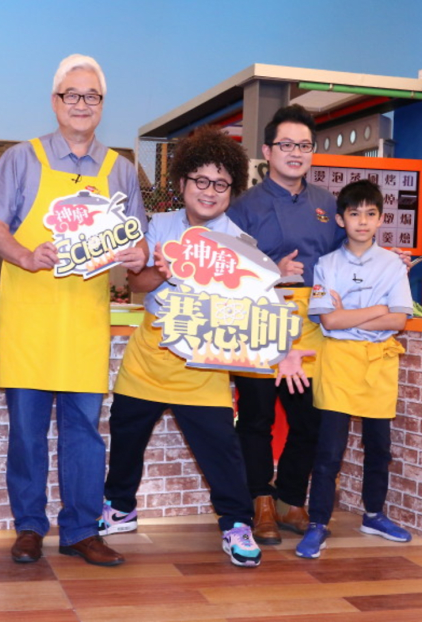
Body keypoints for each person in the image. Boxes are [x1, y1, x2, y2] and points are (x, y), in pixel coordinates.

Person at [98, 126, 311, 568]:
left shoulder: (240, 242)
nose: (209, 192)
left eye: (220, 184)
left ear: (231, 189)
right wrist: (162, 267)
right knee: (125, 430)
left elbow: (263, 302)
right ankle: (120, 507)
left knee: (220, 445)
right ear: (182, 183)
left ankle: (236, 524)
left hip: (203, 359)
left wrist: (284, 350)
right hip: (151, 348)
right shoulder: (159, 225)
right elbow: (137, 284)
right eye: (200, 181)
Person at [0, 54, 147, 567]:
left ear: (101, 105)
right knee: (26, 433)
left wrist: (136, 258)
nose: (82, 104)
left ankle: (80, 530)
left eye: (92, 96)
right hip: (29, 319)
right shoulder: (21, 159)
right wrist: (26, 256)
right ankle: (29, 527)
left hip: (84, 324)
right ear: (55, 102)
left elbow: (133, 245)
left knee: (85, 437)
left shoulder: (121, 171)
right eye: (72, 95)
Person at [226, 104, 343, 544]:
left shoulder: (327, 204)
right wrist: (272, 270)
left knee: (311, 418)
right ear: (267, 151)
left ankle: (291, 498)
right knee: (255, 418)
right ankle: (260, 502)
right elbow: (228, 274)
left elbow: (342, 257)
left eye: (304, 145)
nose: (296, 153)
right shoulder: (243, 208)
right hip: (258, 318)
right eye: (287, 145)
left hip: (310, 325)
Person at [296, 179, 413, 558]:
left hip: (379, 363)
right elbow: (328, 322)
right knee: (329, 452)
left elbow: (399, 321)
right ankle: (317, 524)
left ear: (380, 218)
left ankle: (374, 514)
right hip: (339, 361)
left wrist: (350, 314)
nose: (362, 221)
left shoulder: (393, 264)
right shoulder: (325, 265)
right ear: (340, 218)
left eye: (370, 213)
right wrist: (378, 309)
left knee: (379, 448)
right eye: (354, 213)